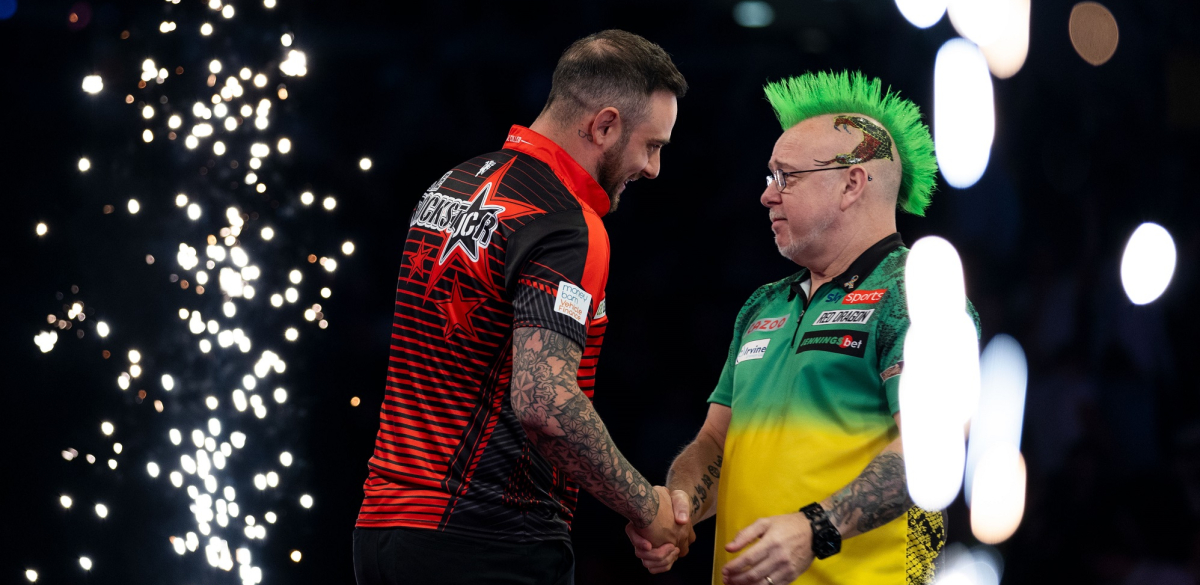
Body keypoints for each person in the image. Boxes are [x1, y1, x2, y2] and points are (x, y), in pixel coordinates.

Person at [353, 30, 694, 585]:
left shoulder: (452, 184)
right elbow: (545, 402)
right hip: (487, 542)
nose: (653, 168)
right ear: (604, 125)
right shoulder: (568, 224)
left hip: (383, 532)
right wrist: (646, 505)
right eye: (651, 145)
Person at [626, 70, 979, 584]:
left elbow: (935, 450)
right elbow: (714, 446)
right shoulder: (763, 305)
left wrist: (817, 529)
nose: (767, 195)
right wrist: (678, 508)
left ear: (851, 183)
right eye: (768, 178)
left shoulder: (919, 293)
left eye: (785, 177)